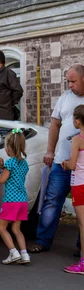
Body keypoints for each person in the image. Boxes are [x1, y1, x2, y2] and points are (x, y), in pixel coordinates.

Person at [28, 64, 84, 254]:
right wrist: (50, 151)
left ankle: (81, 246)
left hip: (82, 166)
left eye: (73, 81)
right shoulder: (64, 99)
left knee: (83, 207)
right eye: (68, 81)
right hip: (61, 161)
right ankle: (43, 241)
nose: (69, 85)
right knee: (52, 200)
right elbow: (55, 125)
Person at [0, 128, 31, 265]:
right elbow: (13, 176)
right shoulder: (24, 163)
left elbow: (2, 179)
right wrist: (2, 166)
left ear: (9, 148)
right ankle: (25, 254)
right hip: (22, 200)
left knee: (1, 227)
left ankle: (13, 252)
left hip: (11, 201)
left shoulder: (10, 163)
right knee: (16, 229)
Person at [61, 104, 84, 274]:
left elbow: (72, 164)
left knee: (82, 224)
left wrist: (65, 164)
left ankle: (83, 263)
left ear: (77, 121)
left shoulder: (77, 139)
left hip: (79, 184)